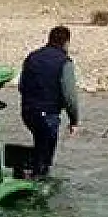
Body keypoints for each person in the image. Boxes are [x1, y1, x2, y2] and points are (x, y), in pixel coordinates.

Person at [18, 26, 80, 178]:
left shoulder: (32, 57)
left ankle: (31, 172)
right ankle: (39, 180)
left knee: (39, 143)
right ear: (66, 42)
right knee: (45, 157)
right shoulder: (65, 62)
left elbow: (21, 86)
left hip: (28, 113)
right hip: (48, 116)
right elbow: (70, 96)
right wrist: (74, 121)